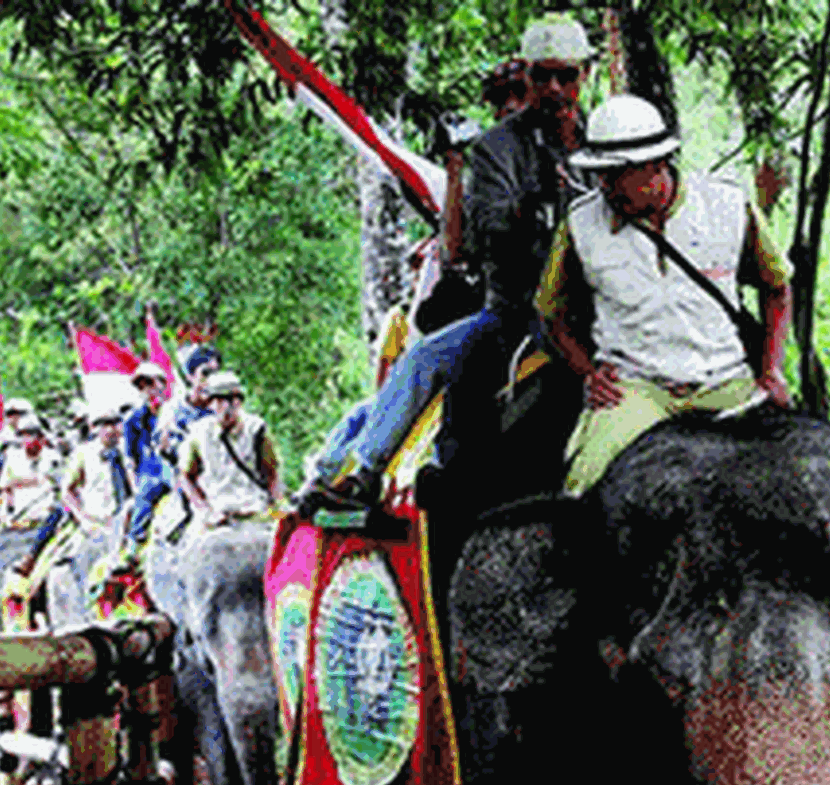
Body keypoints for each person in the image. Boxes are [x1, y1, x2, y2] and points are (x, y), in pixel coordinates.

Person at [295, 13, 595, 513]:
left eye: (566, 76)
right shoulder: (495, 151)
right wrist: (534, 198)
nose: (552, 89)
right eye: (540, 78)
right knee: (426, 360)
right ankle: (367, 473)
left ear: (584, 76)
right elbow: (471, 243)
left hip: (605, 297)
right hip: (519, 310)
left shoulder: (605, 138)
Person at [537, 95, 795, 498]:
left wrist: (771, 372)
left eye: (617, 173)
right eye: (600, 172)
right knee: (583, 487)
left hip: (724, 380)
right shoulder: (581, 224)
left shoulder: (728, 205)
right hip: (636, 387)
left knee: (791, 483)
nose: (605, 184)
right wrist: (588, 371)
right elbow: (551, 312)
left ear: (657, 164)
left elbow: (777, 287)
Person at [15, 404, 134, 576]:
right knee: (59, 516)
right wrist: (83, 519)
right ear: (95, 428)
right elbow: (67, 490)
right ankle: (31, 560)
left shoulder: (129, 449)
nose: (110, 429)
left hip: (127, 519)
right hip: (95, 520)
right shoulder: (84, 453)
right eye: (104, 424)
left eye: (114, 423)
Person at [176, 371, 284, 530]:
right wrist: (205, 509)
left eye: (231, 400)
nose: (226, 407)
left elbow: (272, 473)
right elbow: (186, 476)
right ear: (211, 404)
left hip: (253, 510)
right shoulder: (198, 433)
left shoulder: (256, 429)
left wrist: (275, 506)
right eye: (219, 400)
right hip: (217, 512)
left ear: (239, 402)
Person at [123, 362, 170, 547]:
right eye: (142, 386)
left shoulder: (176, 412)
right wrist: (134, 484)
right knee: (145, 494)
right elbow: (130, 457)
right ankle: (134, 545)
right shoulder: (134, 419)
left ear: (162, 385)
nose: (148, 389)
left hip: (180, 468)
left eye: (151, 383)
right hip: (151, 473)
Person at [0, 414, 63, 538]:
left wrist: (17, 482)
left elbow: (54, 484)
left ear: (41, 437)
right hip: (19, 521)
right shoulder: (13, 457)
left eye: (31, 434)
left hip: (44, 521)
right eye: (23, 435)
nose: (26, 439)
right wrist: (6, 514)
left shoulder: (52, 457)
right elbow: (5, 488)